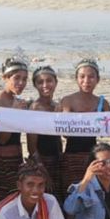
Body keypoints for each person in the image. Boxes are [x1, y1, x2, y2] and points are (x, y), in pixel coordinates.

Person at [59, 58, 110, 195]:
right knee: (71, 192)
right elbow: (63, 132)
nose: (86, 81)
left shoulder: (102, 103)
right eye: (82, 76)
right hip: (71, 155)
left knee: (92, 193)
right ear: (76, 79)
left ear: (97, 79)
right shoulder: (67, 101)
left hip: (93, 155)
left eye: (91, 77)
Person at [0, 52, 30, 205]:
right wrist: (14, 113)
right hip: (1, 158)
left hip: (15, 156)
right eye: (16, 78)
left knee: (15, 198)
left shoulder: (15, 100)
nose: (21, 82)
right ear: (5, 78)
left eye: (24, 79)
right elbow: (2, 138)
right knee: (5, 199)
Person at [26, 65, 63, 200]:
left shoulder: (56, 106)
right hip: (41, 162)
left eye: (49, 81)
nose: (45, 85)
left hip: (56, 159)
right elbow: (31, 147)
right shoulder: (35, 109)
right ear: (35, 85)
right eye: (40, 82)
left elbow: (58, 137)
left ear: (56, 82)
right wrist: (43, 172)